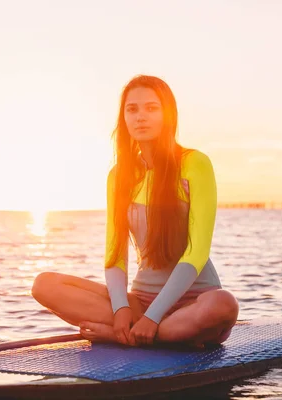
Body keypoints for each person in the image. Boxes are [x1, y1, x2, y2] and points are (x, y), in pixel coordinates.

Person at [32, 75, 238, 348]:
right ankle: (143, 333)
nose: (141, 116)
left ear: (168, 114)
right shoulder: (119, 176)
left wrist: (153, 318)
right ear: (124, 118)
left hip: (193, 303)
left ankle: (134, 335)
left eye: (151, 108)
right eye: (132, 109)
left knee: (224, 304)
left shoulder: (194, 163)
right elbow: (115, 252)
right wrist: (121, 309)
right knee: (44, 284)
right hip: (139, 303)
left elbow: (196, 252)